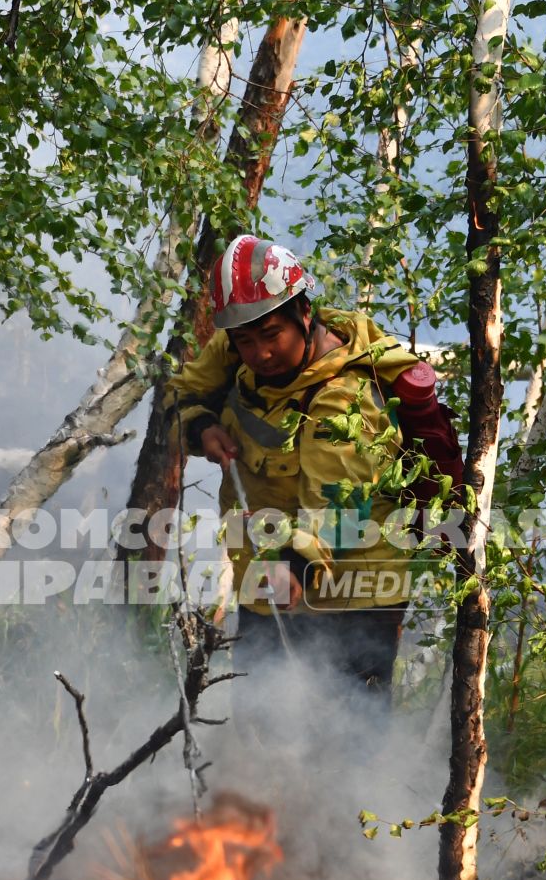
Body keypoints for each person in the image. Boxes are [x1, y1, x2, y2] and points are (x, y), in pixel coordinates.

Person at [168, 234, 447, 698]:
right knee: (261, 725)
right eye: (246, 341)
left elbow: (336, 512)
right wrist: (201, 429)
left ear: (303, 314)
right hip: (268, 576)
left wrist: (294, 569)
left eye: (271, 336)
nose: (259, 353)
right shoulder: (237, 344)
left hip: (353, 592)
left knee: (346, 736)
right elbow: (183, 393)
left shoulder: (342, 400)